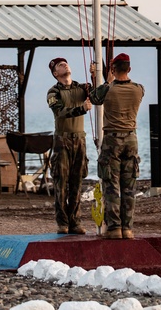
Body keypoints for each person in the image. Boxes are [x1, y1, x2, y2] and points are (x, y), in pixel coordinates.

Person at [89, 52, 144, 240]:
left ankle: (114, 228)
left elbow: (94, 98)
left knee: (111, 185)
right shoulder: (139, 89)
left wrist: (105, 80)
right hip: (131, 139)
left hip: (112, 139)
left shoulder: (108, 89)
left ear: (113, 69)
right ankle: (127, 228)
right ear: (129, 69)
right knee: (129, 186)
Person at [45, 57, 92, 234]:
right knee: (61, 182)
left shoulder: (82, 88)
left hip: (79, 139)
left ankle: (76, 221)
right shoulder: (53, 92)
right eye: (59, 65)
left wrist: (97, 76)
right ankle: (62, 222)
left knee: (77, 182)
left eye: (65, 62)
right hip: (62, 140)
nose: (64, 64)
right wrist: (82, 109)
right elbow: (60, 112)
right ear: (55, 73)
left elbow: (99, 94)